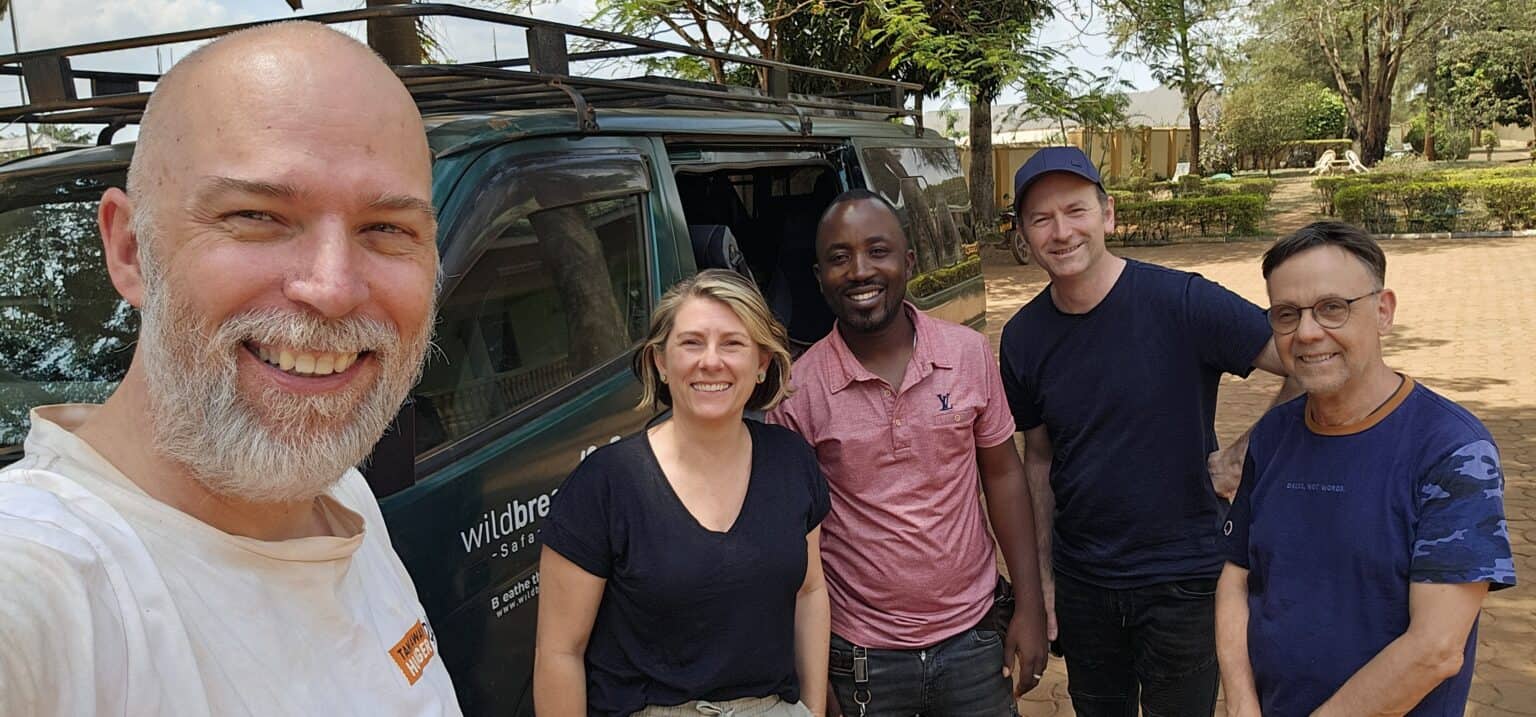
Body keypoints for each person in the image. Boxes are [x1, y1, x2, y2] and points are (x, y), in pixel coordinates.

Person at [0, 22, 457, 715]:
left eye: (387, 229)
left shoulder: (338, 496)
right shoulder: (44, 587)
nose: (332, 288)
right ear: (130, 250)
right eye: (257, 215)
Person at [997, 146, 1295, 716]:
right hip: (1085, 583)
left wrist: (1249, 451)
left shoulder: (1182, 302)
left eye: (1075, 210)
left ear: (1107, 215)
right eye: (1041, 218)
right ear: (1024, 235)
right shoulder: (1024, 338)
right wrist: (1043, 580)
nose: (1061, 231)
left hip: (1183, 578)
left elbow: (1302, 361)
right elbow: (1038, 458)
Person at [1216, 222, 1516, 717]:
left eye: (1333, 307)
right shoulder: (1272, 436)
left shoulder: (1452, 450)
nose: (1308, 332)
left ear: (1383, 311)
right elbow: (1236, 576)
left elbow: (1435, 649)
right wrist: (1244, 704)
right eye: (1287, 314)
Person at [769, 189, 1048, 716]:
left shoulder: (965, 355)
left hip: (974, 640)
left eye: (878, 251)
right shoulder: (800, 393)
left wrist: (1030, 608)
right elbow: (790, 542)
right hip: (860, 657)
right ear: (818, 275)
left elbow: (1004, 476)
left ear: (908, 262)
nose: (859, 270)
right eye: (838, 257)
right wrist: (807, 667)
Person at [534, 269, 830, 717]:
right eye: (692, 342)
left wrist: (809, 708)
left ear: (763, 363)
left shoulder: (792, 462)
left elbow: (809, 592)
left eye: (733, 343)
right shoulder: (604, 485)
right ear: (660, 362)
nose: (711, 361)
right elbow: (560, 652)